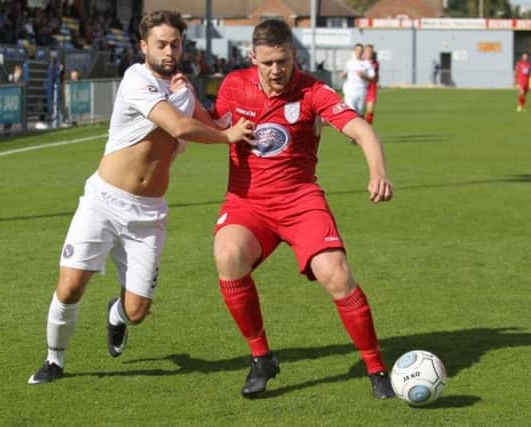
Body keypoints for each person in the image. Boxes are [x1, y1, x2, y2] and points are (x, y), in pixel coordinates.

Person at [28, 9, 254, 385]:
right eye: (161, 44)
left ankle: (116, 315)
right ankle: (54, 361)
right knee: (69, 287)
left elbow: (213, 125)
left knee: (137, 311)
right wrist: (225, 134)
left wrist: (246, 120)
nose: (169, 51)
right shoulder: (136, 79)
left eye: (175, 44)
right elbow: (181, 126)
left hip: (148, 214)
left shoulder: (182, 87)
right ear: (144, 46)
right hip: (102, 201)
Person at [210, 19, 395, 399]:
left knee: (337, 274)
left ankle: (376, 368)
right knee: (227, 255)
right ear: (253, 58)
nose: (276, 70)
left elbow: (361, 130)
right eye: (267, 63)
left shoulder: (312, 90)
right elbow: (211, 126)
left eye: (283, 60)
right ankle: (262, 358)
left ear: (294, 54)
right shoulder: (233, 85)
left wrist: (378, 173)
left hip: (300, 201)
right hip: (248, 203)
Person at [339, 44, 375, 118]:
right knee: (350, 114)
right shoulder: (349, 63)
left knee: (360, 115)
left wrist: (364, 75)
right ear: (354, 51)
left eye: (360, 50)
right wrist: (343, 75)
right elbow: (345, 73)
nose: (359, 52)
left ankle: (359, 128)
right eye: (357, 50)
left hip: (361, 91)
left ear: (362, 52)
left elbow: (373, 78)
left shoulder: (367, 63)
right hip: (350, 92)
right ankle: (350, 129)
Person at [363, 44, 379, 125]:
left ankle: (367, 128)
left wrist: (375, 80)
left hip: (371, 88)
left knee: (370, 111)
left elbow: (376, 77)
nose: (369, 53)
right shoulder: (359, 62)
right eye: (368, 51)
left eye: (371, 51)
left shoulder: (375, 63)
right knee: (359, 112)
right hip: (361, 88)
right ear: (364, 52)